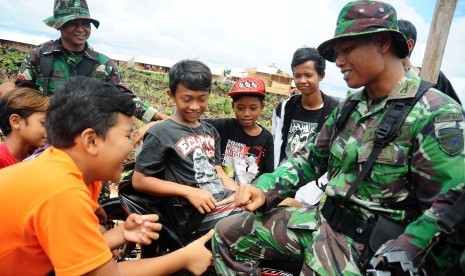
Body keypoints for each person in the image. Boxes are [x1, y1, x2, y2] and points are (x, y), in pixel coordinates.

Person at [211, 1, 465, 275]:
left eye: (347, 50)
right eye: (336, 54)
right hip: (321, 222)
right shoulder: (350, 106)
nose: (339, 62)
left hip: (368, 246)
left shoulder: (435, 113)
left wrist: (402, 255)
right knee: (227, 233)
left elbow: (449, 211)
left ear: (382, 42)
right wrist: (264, 187)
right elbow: (309, 159)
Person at [0, 76, 215, 275]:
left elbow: (69, 247)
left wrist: (120, 234)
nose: (130, 146)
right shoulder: (62, 191)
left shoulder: (58, 169)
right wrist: (184, 257)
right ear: (91, 141)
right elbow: (103, 274)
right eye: (127, 135)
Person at [0, 0, 167, 123]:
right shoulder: (39, 56)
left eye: (85, 23)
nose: (81, 29)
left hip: (84, 136)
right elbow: (23, 95)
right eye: (73, 23)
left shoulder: (103, 64)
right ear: (59, 26)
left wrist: (155, 116)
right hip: (45, 132)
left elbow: (125, 97)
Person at [132, 59, 241, 236]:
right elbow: (140, 180)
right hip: (194, 214)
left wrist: (239, 192)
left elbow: (218, 172)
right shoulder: (161, 132)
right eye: (187, 99)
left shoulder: (210, 131)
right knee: (254, 225)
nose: (195, 106)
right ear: (172, 95)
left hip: (221, 202)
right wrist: (189, 191)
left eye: (202, 99)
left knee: (269, 209)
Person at [272, 47, 339, 207]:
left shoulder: (335, 112)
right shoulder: (284, 108)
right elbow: (276, 145)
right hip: (280, 183)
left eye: (308, 75)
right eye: (297, 75)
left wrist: (305, 199)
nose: (302, 80)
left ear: (321, 75)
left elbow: (332, 159)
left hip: (311, 193)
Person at [202, 76, 274, 185]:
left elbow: (267, 174)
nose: (246, 113)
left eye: (253, 108)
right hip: (222, 192)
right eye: (240, 108)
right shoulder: (224, 126)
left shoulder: (266, 138)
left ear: (262, 106)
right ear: (233, 106)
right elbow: (196, 123)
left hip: (248, 196)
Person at [397, 19, 461, 105]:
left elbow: (456, 111)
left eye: (392, 42)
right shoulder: (381, 81)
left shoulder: (434, 76)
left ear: (409, 45)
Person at [0, 88, 50, 169]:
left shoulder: (40, 156)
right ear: (16, 121)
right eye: (43, 123)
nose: (50, 130)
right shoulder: (2, 160)